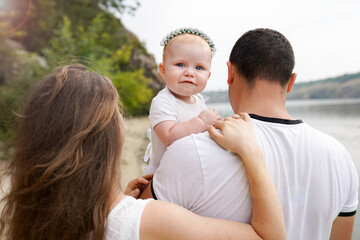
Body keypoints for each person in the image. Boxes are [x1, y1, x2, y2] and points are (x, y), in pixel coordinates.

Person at [0, 64, 286, 240]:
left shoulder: (38, 223)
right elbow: (269, 237)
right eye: (117, 114)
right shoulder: (154, 220)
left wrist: (119, 203)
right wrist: (252, 152)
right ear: (108, 135)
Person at [141, 28, 359, 240]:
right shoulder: (341, 156)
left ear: (230, 73)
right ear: (291, 82)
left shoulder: (193, 149)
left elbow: (137, 225)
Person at [144, 28, 221, 173]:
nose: (189, 72)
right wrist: (202, 121)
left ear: (208, 75)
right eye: (180, 65)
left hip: (191, 170)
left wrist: (218, 126)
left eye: (199, 67)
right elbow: (169, 136)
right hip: (166, 174)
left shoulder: (198, 100)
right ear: (163, 70)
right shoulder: (163, 101)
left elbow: (204, 131)